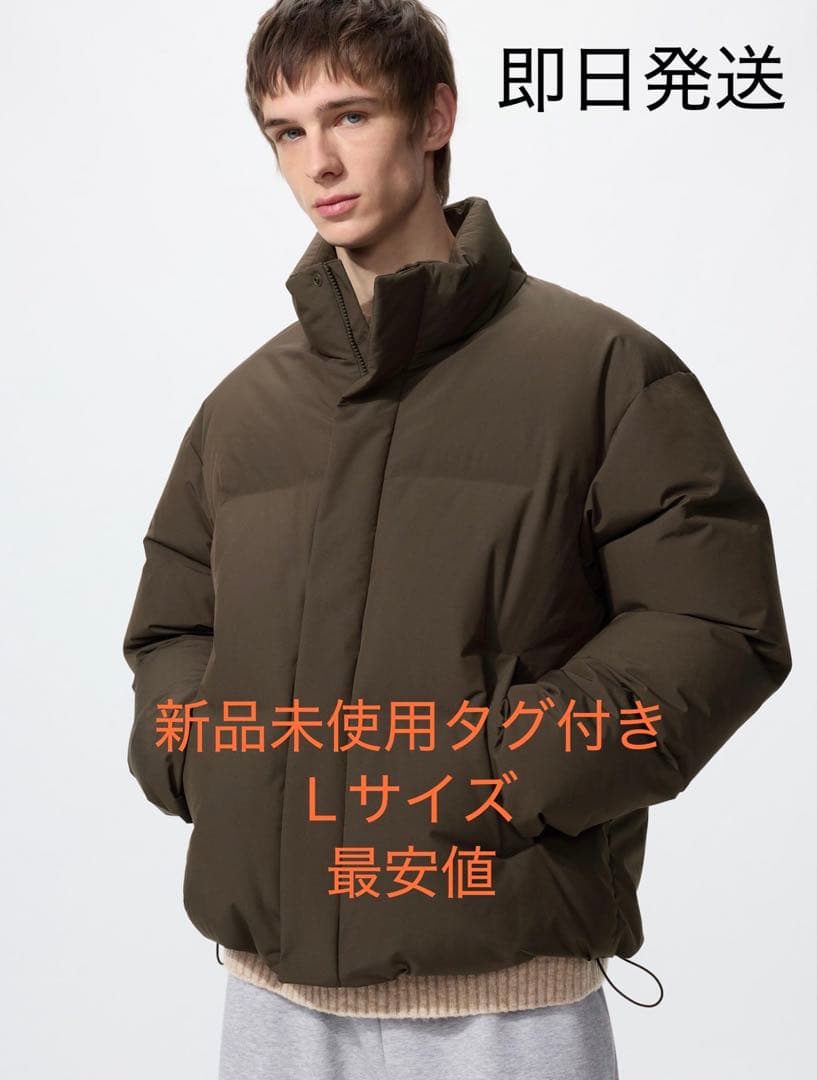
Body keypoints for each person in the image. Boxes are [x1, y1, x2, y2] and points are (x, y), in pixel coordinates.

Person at [122, 2, 792, 1077]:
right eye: (287, 130)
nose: (318, 161)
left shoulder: (601, 372)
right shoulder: (244, 411)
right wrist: (209, 760)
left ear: (434, 116)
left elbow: (715, 629)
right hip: (273, 1003)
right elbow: (173, 628)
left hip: (502, 1004)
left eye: (350, 116)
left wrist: (495, 770)